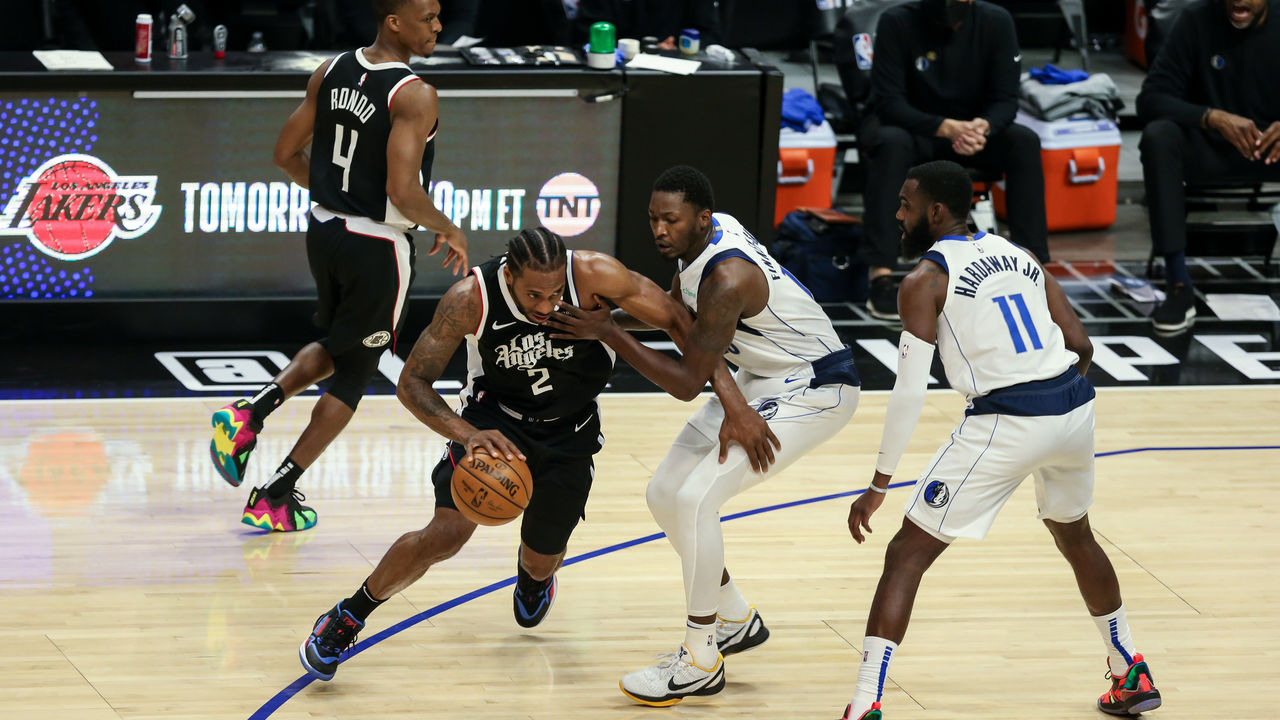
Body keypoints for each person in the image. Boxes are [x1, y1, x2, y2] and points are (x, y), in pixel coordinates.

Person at [298, 227, 756, 681]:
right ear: (510, 274)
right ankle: (348, 616)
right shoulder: (470, 297)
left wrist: (731, 400)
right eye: (534, 295)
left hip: (571, 433)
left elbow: (678, 320)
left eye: (555, 293)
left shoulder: (596, 274)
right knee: (446, 534)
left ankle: (535, 578)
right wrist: (465, 434)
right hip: (495, 423)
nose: (546, 306)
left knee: (540, 559)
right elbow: (412, 382)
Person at [833, 161, 1160, 720]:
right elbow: (1081, 344)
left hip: (1006, 421)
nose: (897, 214)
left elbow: (908, 395)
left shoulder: (923, 282)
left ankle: (865, 702)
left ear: (935, 212)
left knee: (906, 553)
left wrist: (879, 483)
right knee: (1076, 535)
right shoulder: (1021, 255)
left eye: (906, 205)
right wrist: (1054, 402)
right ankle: (1128, 666)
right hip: (1073, 408)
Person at [549, 166, 861, 706]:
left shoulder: (727, 278)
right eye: (653, 219)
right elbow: (678, 316)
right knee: (664, 493)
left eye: (670, 220)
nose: (660, 230)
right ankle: (735, 618)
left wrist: (610, 332)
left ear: (702, 218)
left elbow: (687, 381)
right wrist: (601, 318)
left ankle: (700, 657)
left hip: (815, 385)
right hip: (761, 376)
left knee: (696, 499)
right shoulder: (704, 248)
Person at [209, 0, 469, 533]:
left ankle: (248, 414)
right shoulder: (414, 93)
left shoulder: (330, 70)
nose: (439, 26)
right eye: (428, 18)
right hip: (377, 246)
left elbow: (285, 155)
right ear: (394, 22)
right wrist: (448, 226)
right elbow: (403, 189)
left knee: (338, 345)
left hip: (324, 230)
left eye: (440, 16)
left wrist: (335, 194)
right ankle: (274, 495)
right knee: (354, 373)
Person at [858, 0, 1049, 321]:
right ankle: (881, 273)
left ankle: (1034, 266)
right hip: (917, 127)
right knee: (889, 142)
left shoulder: (997, 21)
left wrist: (983, 126)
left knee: (1024, 141)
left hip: (973, 130)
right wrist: (945, 127)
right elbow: (889, 101)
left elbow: (1006, 99)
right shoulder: (896, 22)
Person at [1136, 0, 1280, 332]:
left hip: (1272, 150)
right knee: (1159, 136)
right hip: (1212, 148)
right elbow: (1151, 99)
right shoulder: (1196, 19)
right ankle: (1178, 285)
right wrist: (1210, 117)